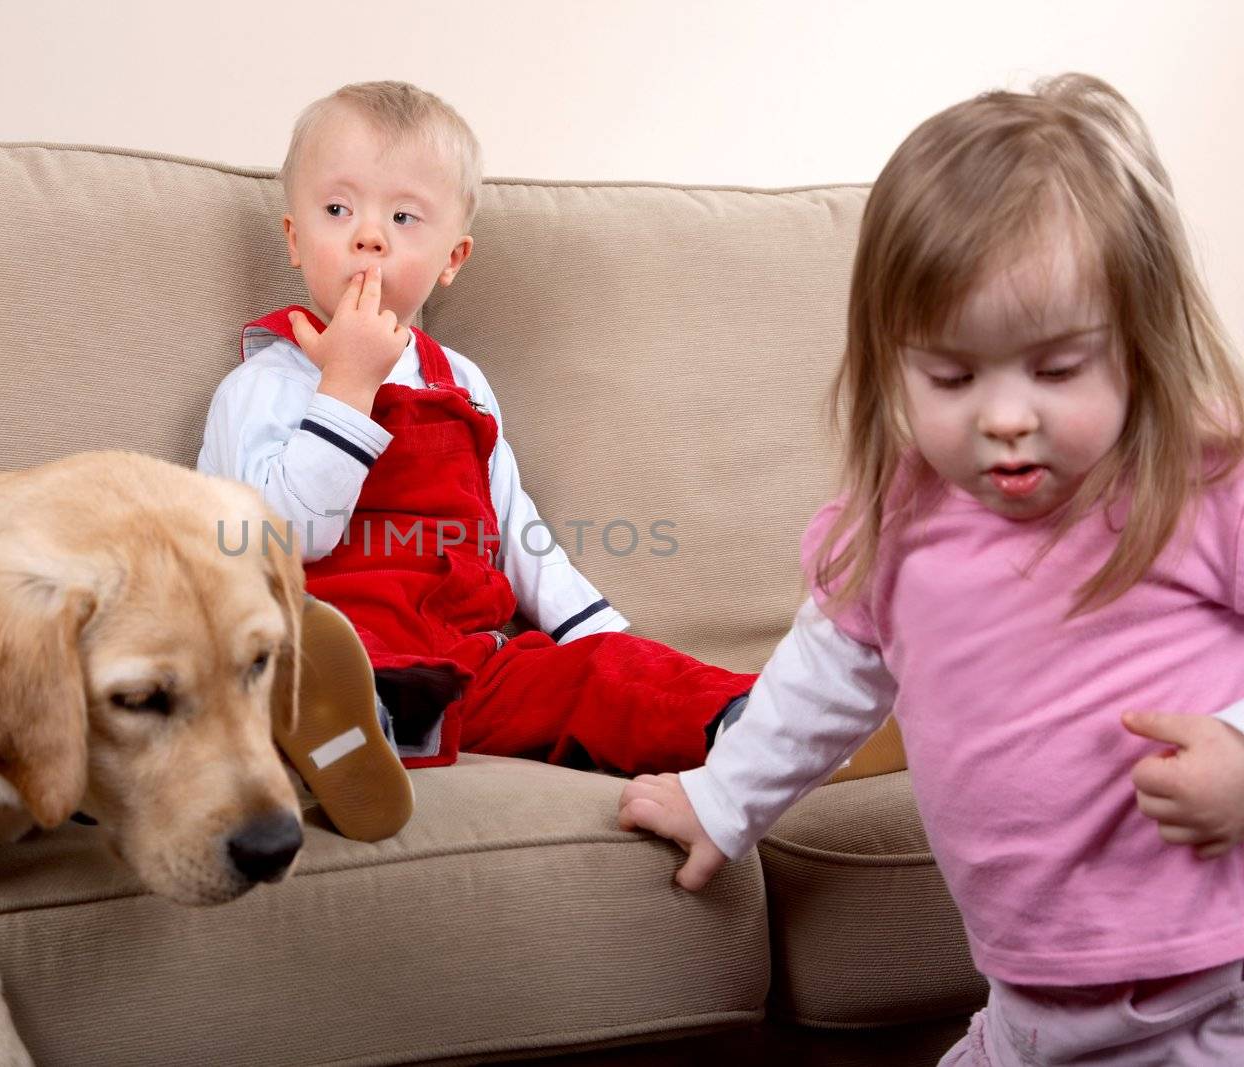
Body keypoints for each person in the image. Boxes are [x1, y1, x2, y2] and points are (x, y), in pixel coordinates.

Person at [621, 73, 1244, 1064]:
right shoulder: (899, 519)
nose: (1003, 415)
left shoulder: (1195, 482)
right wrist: (721, 795)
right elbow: (823, 678)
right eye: (951, 376)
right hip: (1024, 999)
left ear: (1138, 341)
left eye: (1054, 368)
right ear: (889, 365)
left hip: (1206, 991)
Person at [199, 80, 755, 832]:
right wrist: (346, 386)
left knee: (603, 677)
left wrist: (601, 636)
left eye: (403, 217)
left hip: (468, 661)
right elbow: (285, 539)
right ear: (295, 238)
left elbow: (514, 531)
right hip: (328, 646)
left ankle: (761, 727)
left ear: (451, 258)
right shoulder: (259, 384)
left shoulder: (460, 382)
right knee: (280, 678)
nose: (369, 236)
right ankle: (343, 745)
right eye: (339, 210)